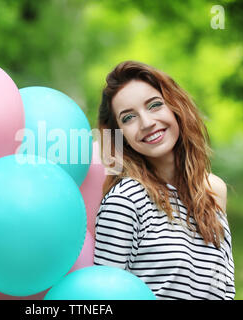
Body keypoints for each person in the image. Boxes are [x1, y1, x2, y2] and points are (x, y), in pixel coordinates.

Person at [94, 60, 235, 300]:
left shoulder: (213, 190)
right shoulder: (125, 201)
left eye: (155, 105)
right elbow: (103, 299)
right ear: (121, 136)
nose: (147, 123)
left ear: (175, 107)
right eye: (128, 118)